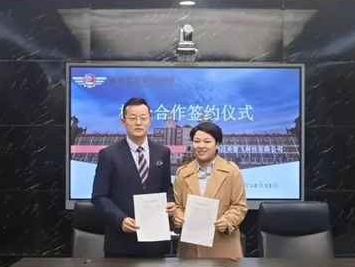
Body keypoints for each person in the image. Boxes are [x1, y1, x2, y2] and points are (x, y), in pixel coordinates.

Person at [91, 97, 175, 257]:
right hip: (121, 242)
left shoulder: (163, 152)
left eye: (143, 118)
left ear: (150, 121)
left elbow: (166, 187)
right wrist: (120, 219)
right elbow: (99, 196)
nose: (138, 123)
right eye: (133, 118)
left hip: (155, 241)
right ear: (123, 122)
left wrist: (171, 202)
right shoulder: (108, 154)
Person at [173, 122, 247, 258]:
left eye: (207, 141)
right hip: (190, 248)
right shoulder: (183, 173)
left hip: (223, 246)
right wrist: (178, 216)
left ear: (217, 144)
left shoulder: (231, 171)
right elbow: (178, 205)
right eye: (197, 141)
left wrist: (228, 220)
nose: (201, 146)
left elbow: (239, 206)